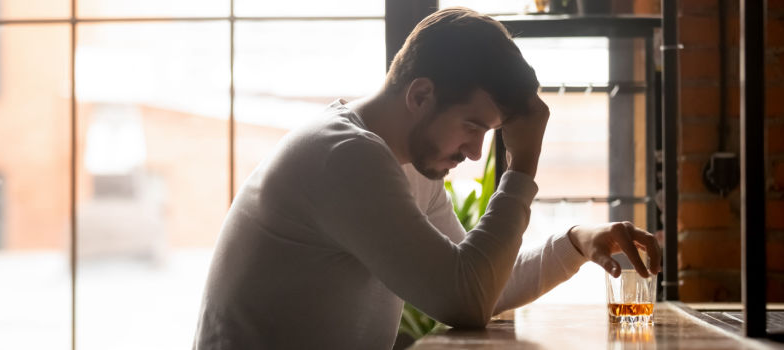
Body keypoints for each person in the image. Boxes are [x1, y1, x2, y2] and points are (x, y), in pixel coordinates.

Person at [193, 7, 660, 349]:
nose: (477, 152)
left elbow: (483, 284)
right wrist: (522, 165)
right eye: (473, 127)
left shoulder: (409, 167)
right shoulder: (343, 155)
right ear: (420, 94)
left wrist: (577, 242)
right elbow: (464, 299)